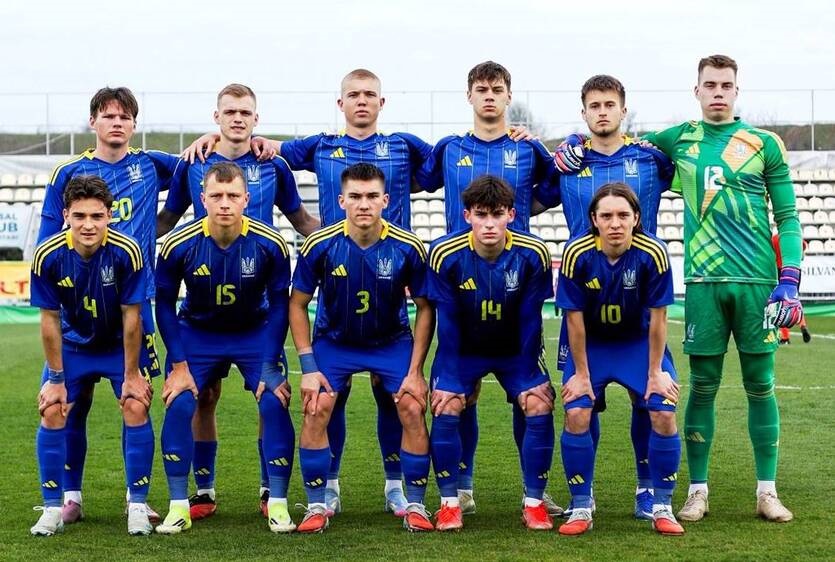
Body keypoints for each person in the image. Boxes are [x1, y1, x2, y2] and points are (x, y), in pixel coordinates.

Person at [558, 55, 802, 522]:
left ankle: (767, 491)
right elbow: (617, 140)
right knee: (701, 387)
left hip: (757, 281)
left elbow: (788, 217)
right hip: (702, 282)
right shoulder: (677, 139)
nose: (718, 92)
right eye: (710, 85)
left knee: (760, 384)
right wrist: (573, 141)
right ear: (697, 91)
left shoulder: (764, 143)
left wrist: (789, 277)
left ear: (736, 90)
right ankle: (696, 491)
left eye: (725, 85)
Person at [182, 69, 435, 517]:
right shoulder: (318, 146)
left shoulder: (405, 146)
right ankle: (326, 489)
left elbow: (448, 163)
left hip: (389, 288)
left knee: (395, 397)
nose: (361, 101)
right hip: (335, 301)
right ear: (341, 103)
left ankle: (399, 489)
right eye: (353, 94)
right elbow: (265, 146)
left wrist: (521, 136)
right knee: (323, 399)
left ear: (382, 102)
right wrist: (217, 137)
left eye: (369, 94)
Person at [157, 83, 318, 521]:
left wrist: (351, 238)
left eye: (245, 112)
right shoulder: (193, 162)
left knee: (271, 393)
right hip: (203, 306)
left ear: (256, 119)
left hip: (256, 308)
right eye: (230, 112)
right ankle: (201, 492)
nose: (237, 118)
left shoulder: (274, 165)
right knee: (200, 396)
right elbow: (166, 218)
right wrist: (111, 242)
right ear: (217, 117)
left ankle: (271, 491)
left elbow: (302, 220)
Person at [419, 60, 562, 516]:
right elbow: (412, 175)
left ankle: (535, 492)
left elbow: (558, 184)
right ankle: (460, 488)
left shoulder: (528, 148)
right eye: (481, 89)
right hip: (460, 278)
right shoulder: (449, 148)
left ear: (508, 95)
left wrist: (555, 143)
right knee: (459, 396)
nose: (489, 96)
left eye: (497, 89)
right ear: (469, 96)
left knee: (531, 398)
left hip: (513, 276)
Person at [37, 86, 182, 524]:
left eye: (124, 117)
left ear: (134, 124)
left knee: (136, 400)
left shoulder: (151, 164)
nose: (116, 123)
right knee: (66, 405)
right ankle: (69, 498)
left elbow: (199, 170)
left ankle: (136, 500)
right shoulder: (68, 172)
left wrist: (210, 141)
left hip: (132, 306)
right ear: (93, 122)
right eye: (108, 116)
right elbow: (49, 238)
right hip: (77, 310)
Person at [289, 163, 434, 533]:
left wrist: (416, 371)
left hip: (390, 343)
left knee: (411, 405)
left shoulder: (408, 246)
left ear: (386, 200)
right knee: (318, 405)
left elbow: (425, 307)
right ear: (341, 201)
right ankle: (319, 501)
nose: (364, 204)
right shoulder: (320, 245)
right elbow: (297, 304)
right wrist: (308, 367)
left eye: (372, 196)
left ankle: (410, 499)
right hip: (335, 342)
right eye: (355, 196)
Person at [556, 74, 676, 520]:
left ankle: (649, 490)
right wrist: (562, 144)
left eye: (610, 104)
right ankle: (582, 498)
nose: (602, 112)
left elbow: (683, 166)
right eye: (594, 105)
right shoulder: (567, 161)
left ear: (623, 110)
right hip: (584, 296)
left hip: (637, 295)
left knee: (650, 401)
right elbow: (528, 197)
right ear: (583, 112)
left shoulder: (650, 159)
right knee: (580, 404)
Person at [154, 162, 295, 534]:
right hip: (198, 333)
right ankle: (181, 504)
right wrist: (179, 365)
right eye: (216, 195)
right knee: (181, 401)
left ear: (247, 198)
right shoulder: (178, 244)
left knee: (273, 399)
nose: (225, 203)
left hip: (254, 332)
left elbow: (280, 305)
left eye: (233, 195)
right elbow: (164, 305)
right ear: (202, 199)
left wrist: (270, 363)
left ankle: (276, 501)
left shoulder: (270, 243)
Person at [427, 176, 556, 531]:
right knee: (447, 403)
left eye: (497, 214)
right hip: (463, 350)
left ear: (511, 215)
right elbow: (447, 323)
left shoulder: (534, 253)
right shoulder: (444, 253)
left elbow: (531, 320)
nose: (489, 223)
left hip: (515, 350)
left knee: (538, 402)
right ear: (467, 215)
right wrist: (451, 380)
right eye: (481, 214)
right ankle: (450, 503)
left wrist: (530, 377)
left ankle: (535, 503)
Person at [556, 182, 684, 537]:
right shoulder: (577, 252)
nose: (615, 223)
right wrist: (581, 374)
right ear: (594, 219)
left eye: (623, 215)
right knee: (577, 411)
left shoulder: (653, 252)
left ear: (636, 218)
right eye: (607, 216)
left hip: (637, 344)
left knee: (662, 409)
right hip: (592, 344)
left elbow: (659, 318)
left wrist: (655, 372)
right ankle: (581, 504)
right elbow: (573, 319)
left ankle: (659, 503)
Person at [30, 176, 155, 536]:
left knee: (135, 404)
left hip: (117, 345)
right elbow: (49, 321)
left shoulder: (127, 251)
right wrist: (56, 380)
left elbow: (133, 318)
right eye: (80, 216)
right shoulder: (48, 255)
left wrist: (131, 375)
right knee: (53, 409)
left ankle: (137, 504)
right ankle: (56, 506)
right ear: (66, 215)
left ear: (109, 216)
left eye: (97, 216)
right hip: (73, 346)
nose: (88, 225)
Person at [771, 233, 810, 344]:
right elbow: (802, 255)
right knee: (794, 299)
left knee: (781, 302)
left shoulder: (774, 239)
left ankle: (785, 337)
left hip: (779, 270)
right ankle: (802, 324)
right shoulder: (796, 236)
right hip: (795, 271)